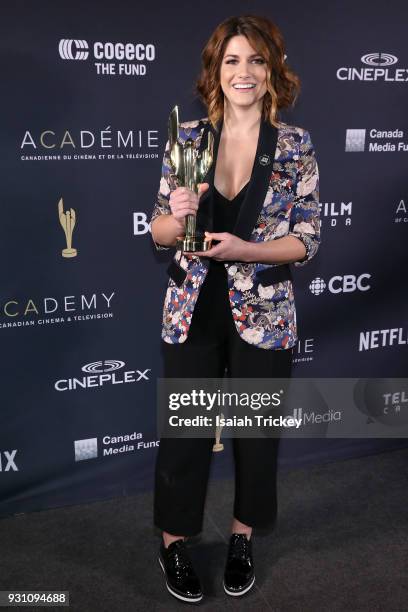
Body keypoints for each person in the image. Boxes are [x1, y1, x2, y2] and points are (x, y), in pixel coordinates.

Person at [150, 14, 321, 604]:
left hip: (265, 312)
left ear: (272, 69)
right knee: (186, 435)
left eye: (255, 60)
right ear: (215, 71)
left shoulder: (295, 146)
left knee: (255, 436)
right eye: (231, 61)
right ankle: (174, 542)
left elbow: (307, 240)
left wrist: (247, 249)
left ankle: (242, 537)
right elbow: (158, 231)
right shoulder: (189, 138)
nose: (242, 72)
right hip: (194, 307)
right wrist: (177, 212)